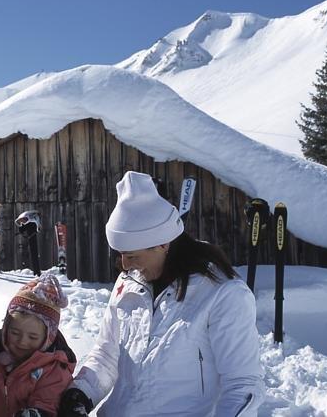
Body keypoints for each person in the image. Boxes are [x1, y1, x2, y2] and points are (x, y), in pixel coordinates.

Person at [58, 171, 264, 416]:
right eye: (121, 254)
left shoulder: (223, 295)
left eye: (132, 255)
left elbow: (242, 387)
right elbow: (107, 354)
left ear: (163, 244)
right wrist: (80, 392)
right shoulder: (130, 283)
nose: (124, 265)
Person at [0, 274, 76, 417]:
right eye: (15, 333)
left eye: (32, 337)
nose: (22, 342)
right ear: (5, 329)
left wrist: (38, 414)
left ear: (48, 337)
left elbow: (48, 403)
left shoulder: (54, 369)